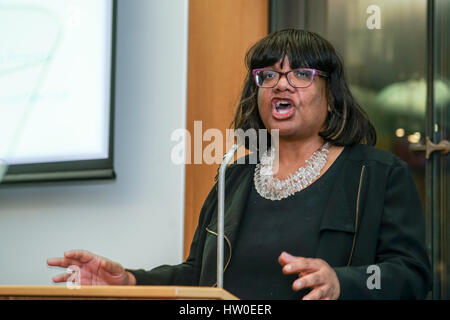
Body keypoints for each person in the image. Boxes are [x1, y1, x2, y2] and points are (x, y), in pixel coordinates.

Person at [47, 29, 432, 300]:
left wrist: (342, 283)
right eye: (268, 75)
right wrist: (130, 281)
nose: (282, 84)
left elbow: (411, 276)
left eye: (301, 74)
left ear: (331, 97)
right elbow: (198, 275)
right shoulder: (234, 176)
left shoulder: (377, 173)